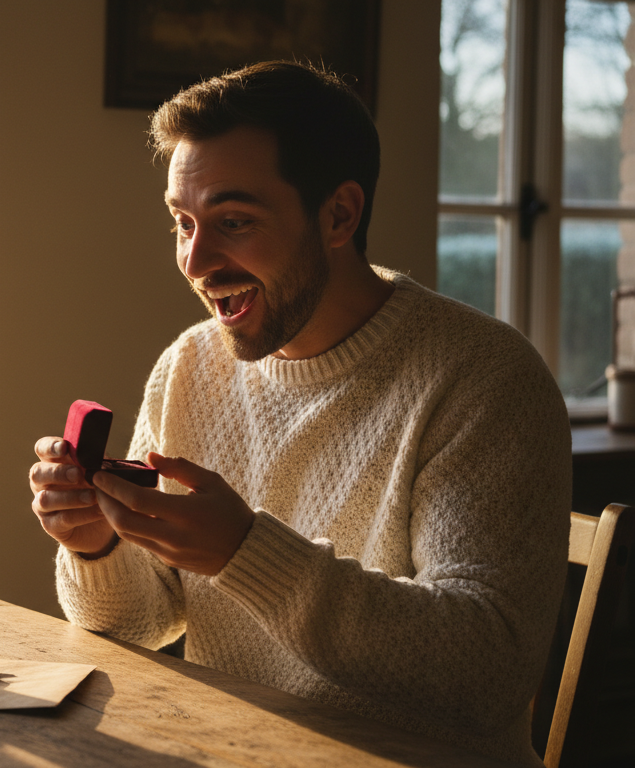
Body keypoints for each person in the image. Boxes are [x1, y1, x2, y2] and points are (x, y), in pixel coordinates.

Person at [28, 61, 570, 766]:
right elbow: (138, 622)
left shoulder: (483, 379)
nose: (196, 260)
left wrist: (245, 554)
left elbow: (485, 674)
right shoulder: (190, 367)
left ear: (339, 215)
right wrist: (96, 543)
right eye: (181, 223)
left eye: (233, 222)